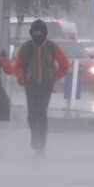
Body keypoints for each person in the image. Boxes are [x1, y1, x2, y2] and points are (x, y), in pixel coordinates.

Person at [14, 19, 70, 156]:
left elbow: (65, 65)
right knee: (32, 115)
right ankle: (35, 135)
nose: (38, 35)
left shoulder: (52, 47)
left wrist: (54, 77)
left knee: (41, 112)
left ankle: (41, 145)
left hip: (45, 85)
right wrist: (22, 77)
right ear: (31, 33)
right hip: (30, 85)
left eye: (40, 32)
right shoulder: (26, 47)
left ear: (45, 33)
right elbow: (18, 65)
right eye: (35, 32)